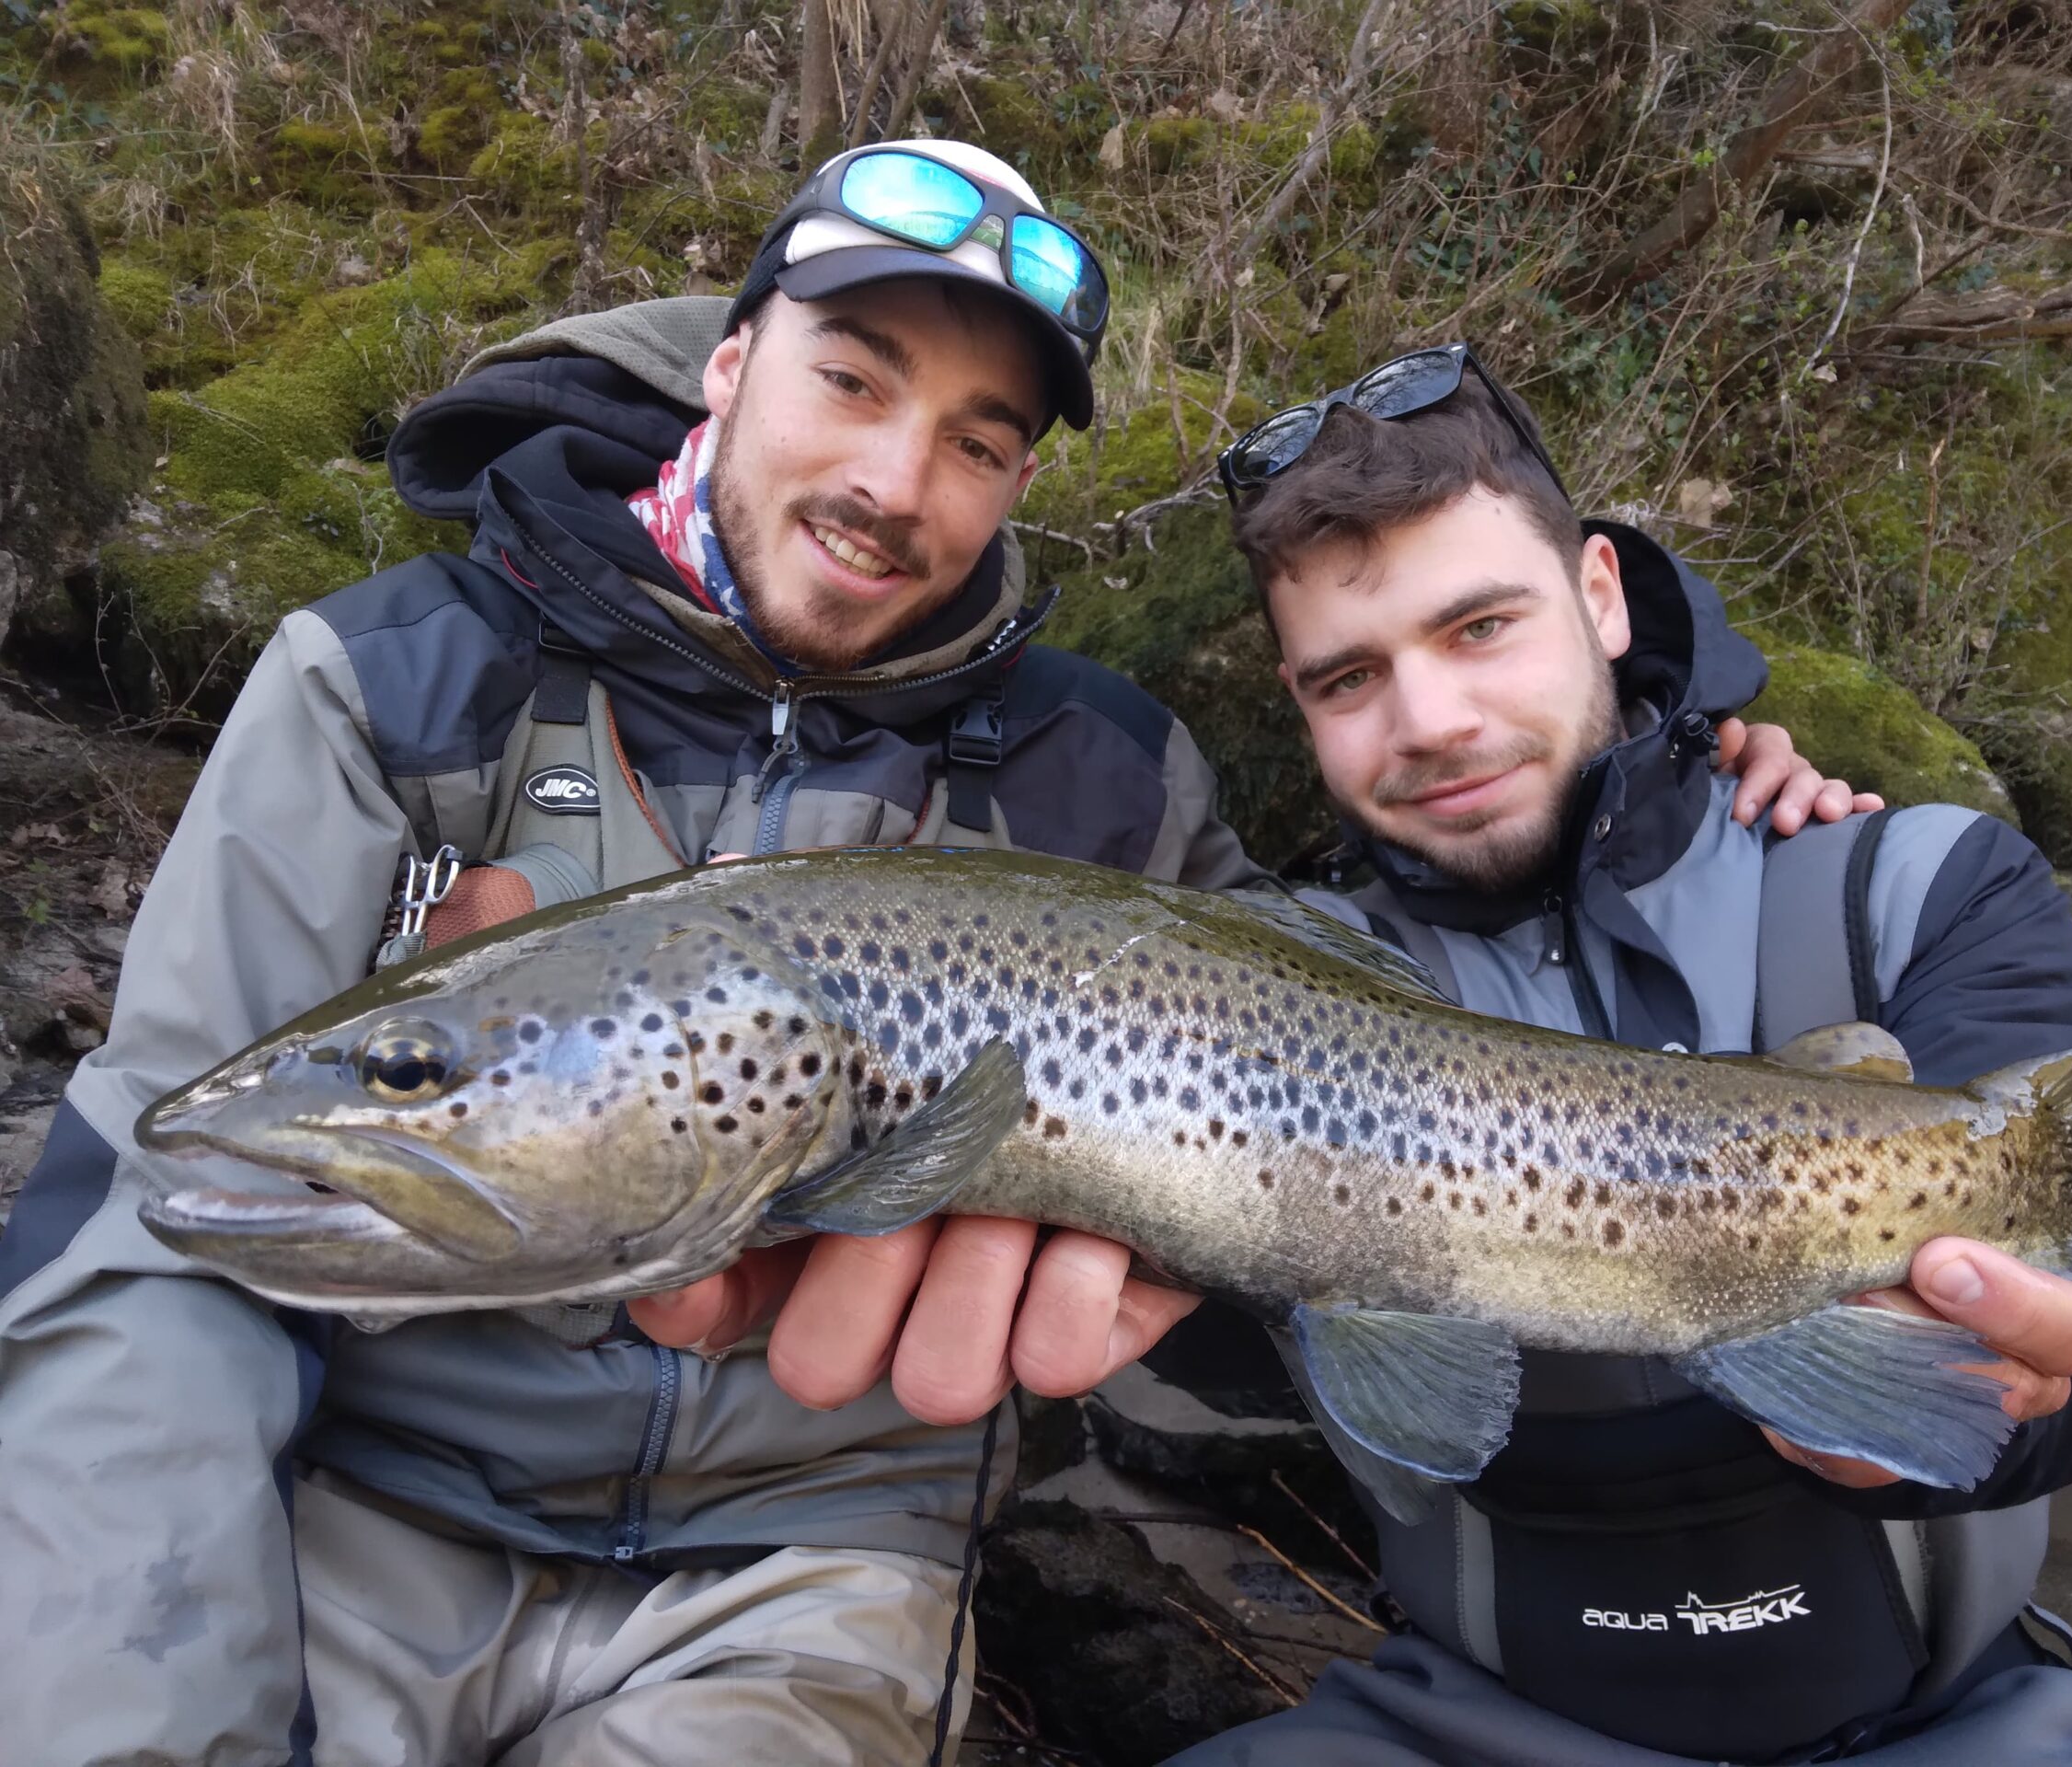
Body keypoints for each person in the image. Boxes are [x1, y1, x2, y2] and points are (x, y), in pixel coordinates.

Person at [0, 144, 1854, 1767]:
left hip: (823, 1565)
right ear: (726, 368)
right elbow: (140, 1229)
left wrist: (1683, 766)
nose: (899, 478)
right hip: (363, 1495)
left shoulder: (1106, 772)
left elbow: (1393, 1028)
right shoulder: (386, 683)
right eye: (851, 380)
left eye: (980, 440)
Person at [1154, 345, 2072, 1767]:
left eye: (1480, 627)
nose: (1431, 722)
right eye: (1349, 678)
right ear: (1295, 699)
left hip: (1962, 1725)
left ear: (1597, 595)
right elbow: (1211, 1357)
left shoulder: (1919, 887)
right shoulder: (1258, 989)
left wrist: (2007, 1384)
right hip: (1461, 1731)